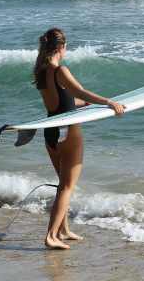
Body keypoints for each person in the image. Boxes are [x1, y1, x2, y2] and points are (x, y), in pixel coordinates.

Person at [33, 28, 124, 250]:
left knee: (62, 185)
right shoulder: (59, 70)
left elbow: (61, 102)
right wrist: (108, 102)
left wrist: (84, 104)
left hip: (51, 131)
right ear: (61, 47)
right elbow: (80, 91)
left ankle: (63, 230)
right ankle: (51, 236)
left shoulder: (41, 71)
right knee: (67, 186)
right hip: (68, 131)